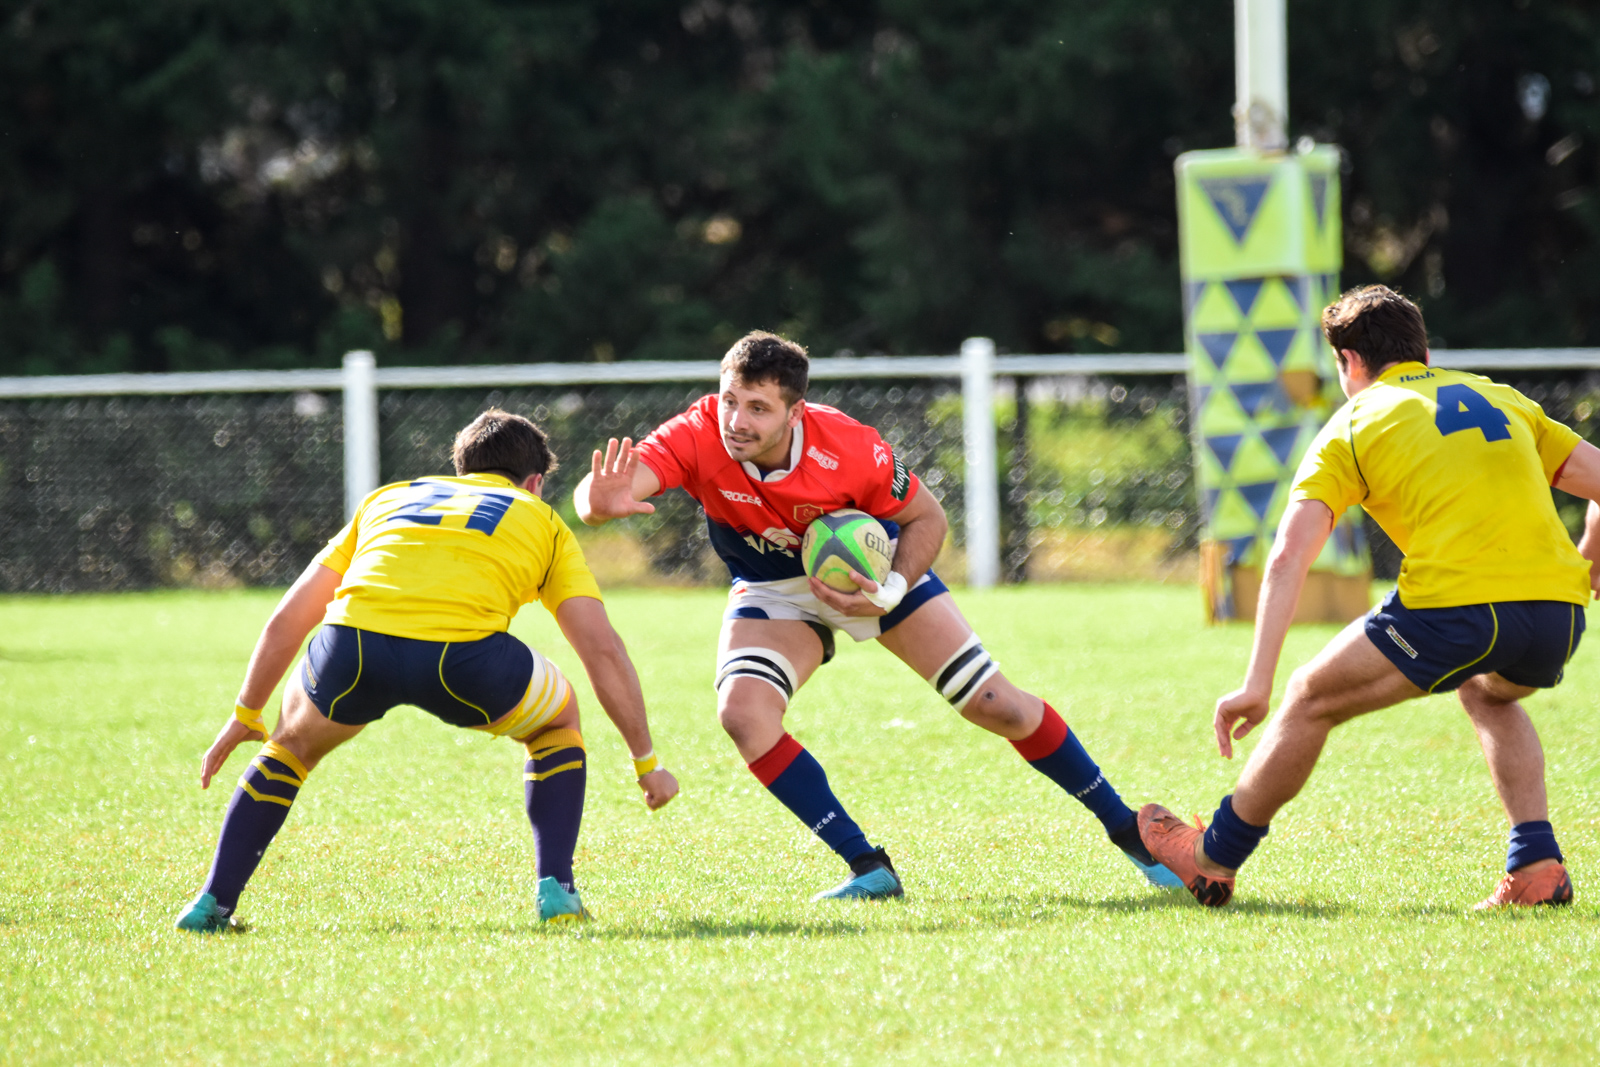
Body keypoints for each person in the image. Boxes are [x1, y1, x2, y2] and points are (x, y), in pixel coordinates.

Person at [574, 330, 1178, 900]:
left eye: (758, 407)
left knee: (999, 707)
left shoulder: (850, 447)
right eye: (730, 400)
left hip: (877, 571)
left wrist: (886, 592)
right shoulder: (701, 431)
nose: (737, 420)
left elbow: (929, 519)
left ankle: (1130, 832)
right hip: (773, 588)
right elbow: (614, 486)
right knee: (743, 714)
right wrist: (596, 503)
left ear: (796, 411)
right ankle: (868, 867)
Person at [1139, 285, 1600, 909]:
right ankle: (1537, 868)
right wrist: (1588, 562)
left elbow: (1288, 556)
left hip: (1453, 612)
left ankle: (1211, 858)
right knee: (1487, 691)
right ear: (1423, 350)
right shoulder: (1501, 397)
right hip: (1557, 614)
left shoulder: (1352, 423)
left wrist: (1257, 682)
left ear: (1348, 361)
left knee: (1307, 698)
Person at [175, 409, 679, 932]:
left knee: (288, 745)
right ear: (535, 483)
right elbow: (601, 648)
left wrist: (245, 711)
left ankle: (213, 902)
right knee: (557, 720)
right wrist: (646, 762)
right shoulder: (541, 518)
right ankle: (557, 888)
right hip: (462, 661)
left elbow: (291, 616)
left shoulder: (389, 497)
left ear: (463, 469)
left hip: (353, 650)